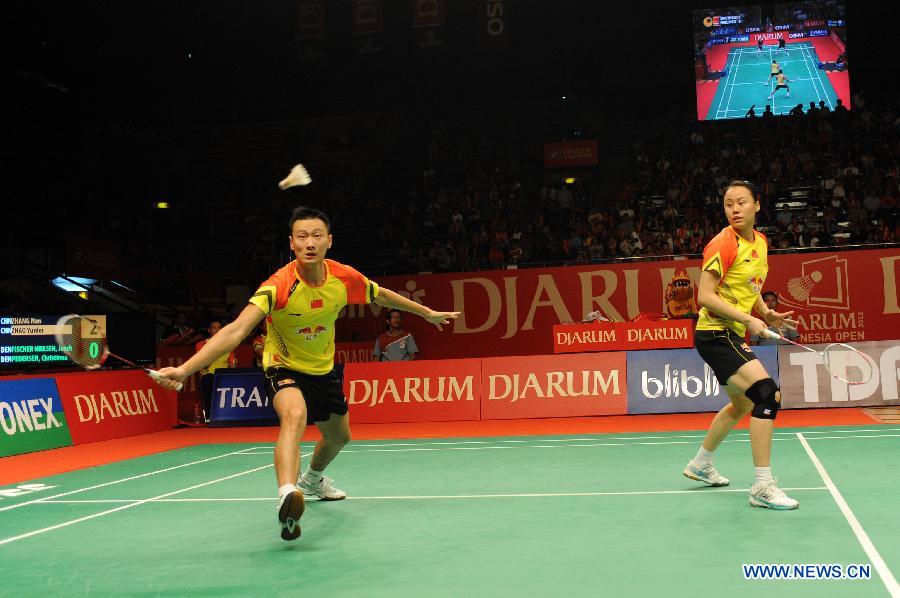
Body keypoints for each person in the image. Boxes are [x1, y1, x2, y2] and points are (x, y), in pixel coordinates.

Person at [153, 206, 460, 541]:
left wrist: (426, 312)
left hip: (322, 369)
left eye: (316, 235)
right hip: (283, 366)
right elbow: (236, 331)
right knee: (294, 416)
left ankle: (311, 480)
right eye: (302, 237)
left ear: (329, 241)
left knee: (339, 437)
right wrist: (184, 370)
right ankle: (287, 492)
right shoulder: (279, 285)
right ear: (292, 243)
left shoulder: (343, 278)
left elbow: (380, 294)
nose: (309, 242)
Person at [683, 180, 800, 510]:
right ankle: (762, 485)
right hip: (715, 334)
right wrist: (749, 320)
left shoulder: (761, 243)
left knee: (743, 405)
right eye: (729, 204)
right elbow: (704, 296)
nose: (734, 208)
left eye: (741, 202)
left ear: (757, 206)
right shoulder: (723, 243)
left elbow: (749, 287)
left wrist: (765, 311)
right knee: (767, 394)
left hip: (732, 333)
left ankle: (700, 464)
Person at [195, 320, 237, 422]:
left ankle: (231, 414)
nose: (217, 330)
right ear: (209, 330)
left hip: (224, 373)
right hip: (208, 373)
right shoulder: (201, 345)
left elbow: (232, 364)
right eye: (214, 327)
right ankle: (209, 416)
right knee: (209, 381)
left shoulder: (229, 344)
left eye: (219, 327)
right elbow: (202, 363)